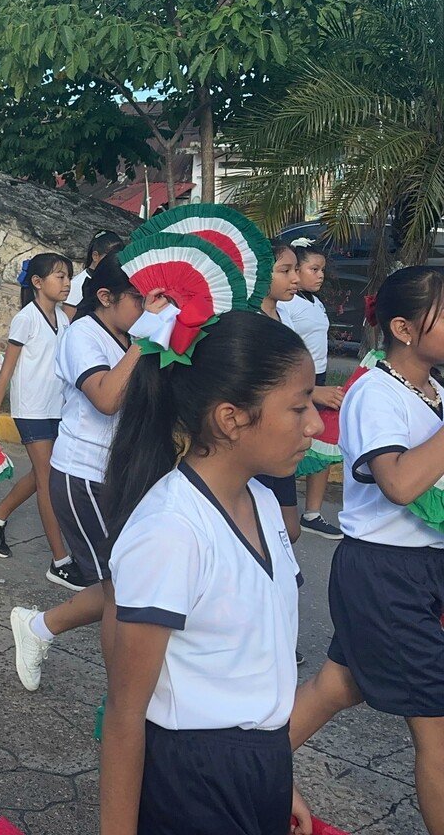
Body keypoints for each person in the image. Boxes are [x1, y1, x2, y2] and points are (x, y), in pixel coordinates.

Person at [99, 310, 319, 835]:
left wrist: (274, 774)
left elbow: (251, 662)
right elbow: (125, 714)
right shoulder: (171, 529)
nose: (314, 422)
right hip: (193, 783)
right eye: (298, 405)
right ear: (230, 418)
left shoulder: (264, 502)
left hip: (259, 764)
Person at [288, 267, 444, 835]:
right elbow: (400, 483)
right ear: (403, 328)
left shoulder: (432, 390)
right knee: (437, 729)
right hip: (388, 571)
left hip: (419, 568)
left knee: (339, 685)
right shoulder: (374, 392)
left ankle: (239, 763)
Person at [9, 252, 166, 691]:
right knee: (118, 590)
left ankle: (39, 626)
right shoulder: (83, 334)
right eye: (138, 299)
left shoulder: (132, 333)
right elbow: (106, 397)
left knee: (126, 583)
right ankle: (124, 701)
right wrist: (143, 341)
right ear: (105, 296)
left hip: (126, 474)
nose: (146, 308)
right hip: (85, 474)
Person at [0, 253, 85, 590]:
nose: (66, 284)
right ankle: (60, 561)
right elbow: (7, 369)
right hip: (31, 410)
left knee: (42, 473)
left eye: (68, 277)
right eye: (59, 277)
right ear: (38, 282)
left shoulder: (64, 321)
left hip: (57, 409)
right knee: (48, 479)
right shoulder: (26, 319)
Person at [279, 239, 344, 539]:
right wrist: (310, 390)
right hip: (299, 382)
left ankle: (312, 513)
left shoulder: (313, 301)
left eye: (322, 270)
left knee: (325, 442)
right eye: (313, 269)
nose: (319, 275)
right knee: (292, 445)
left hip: (319, 377)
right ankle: (282, 510)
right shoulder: (286, 303)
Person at [66, 230, 126, 319]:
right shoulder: (76, 285)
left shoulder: (118, 282)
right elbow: (68, 322)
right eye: (109, 257)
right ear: (95, 256)